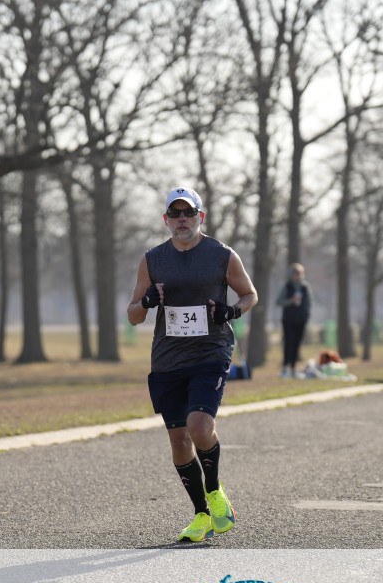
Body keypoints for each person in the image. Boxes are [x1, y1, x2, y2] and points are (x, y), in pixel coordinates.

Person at [127, 186, 258, 542]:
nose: (182, 219)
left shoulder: (222, 255)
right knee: (179, 440)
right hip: (168, 359)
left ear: (201, 217)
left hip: (210, 353)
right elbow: (133, 316)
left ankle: (215, 492)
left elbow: (249, 294)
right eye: (175, 213)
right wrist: (147, 301)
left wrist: (232, 311)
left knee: (199, 427)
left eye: (188, 213)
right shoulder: (153, 259)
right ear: (165, 219)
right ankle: (201, 515)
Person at [275, 263, 312, 378]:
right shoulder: (287, 286)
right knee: (288, 343)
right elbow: (279, 301)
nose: (297, 276)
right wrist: (290, 301)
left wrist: (306, 315)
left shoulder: (305, 287)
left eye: (299, 273)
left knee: (297, 343)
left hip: (301, 320)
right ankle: (285, 366)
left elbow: (309, 303)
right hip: (288, 320)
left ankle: (293, 367)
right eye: (295, 274)